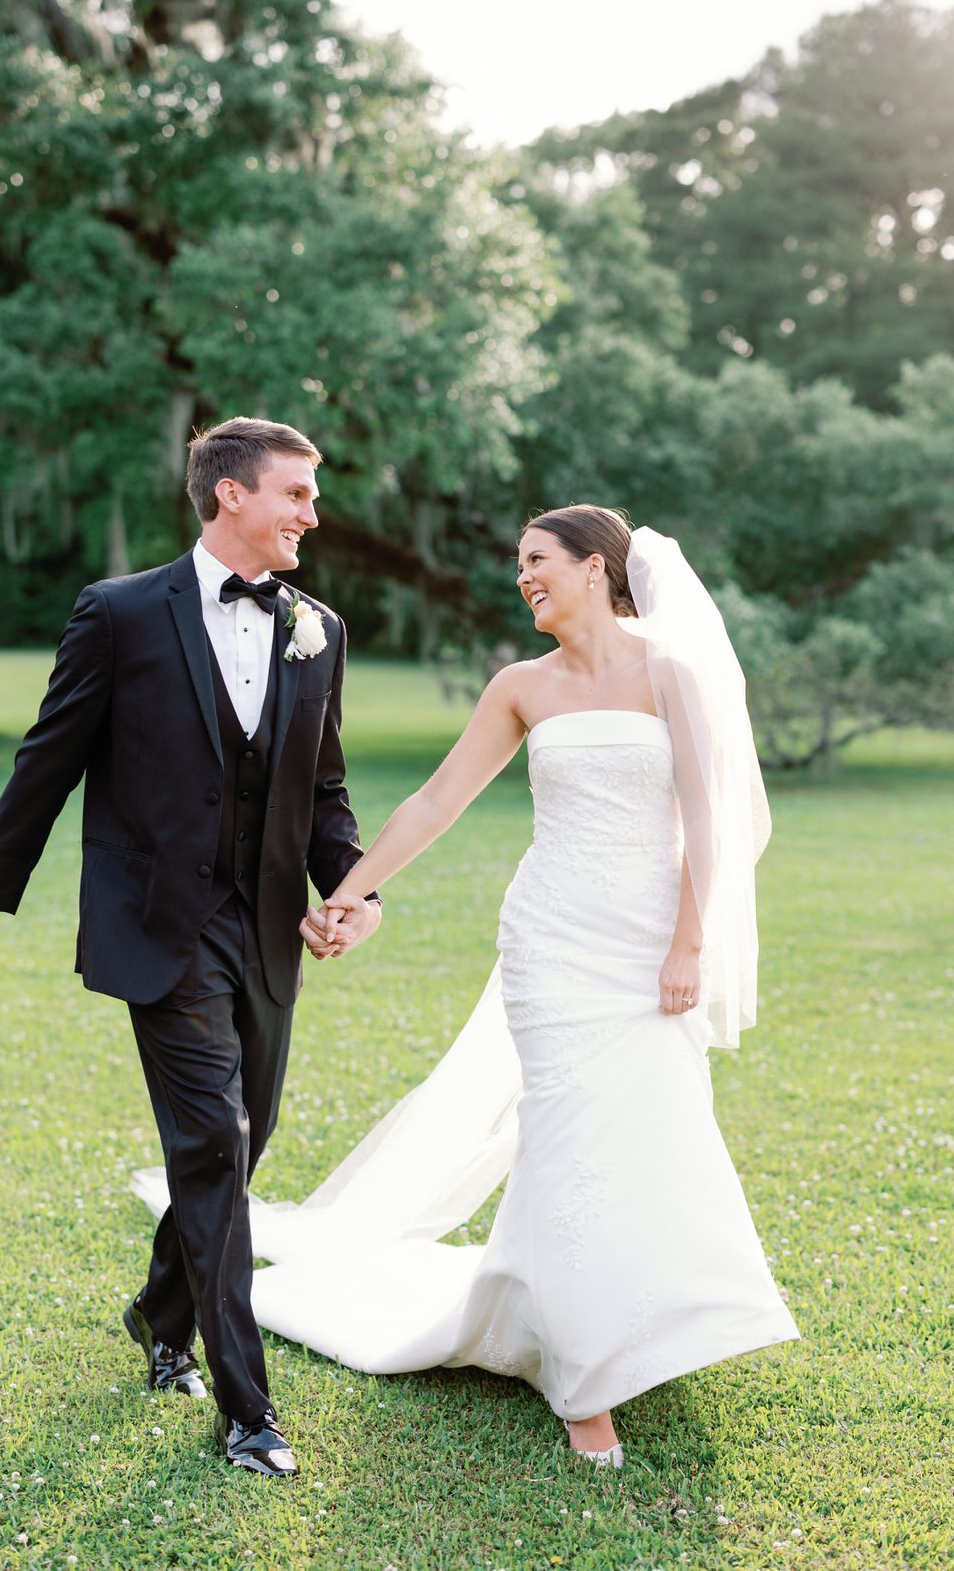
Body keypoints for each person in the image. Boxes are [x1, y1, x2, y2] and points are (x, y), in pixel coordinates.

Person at [266, 504, 798, 1468]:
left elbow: (708, 825)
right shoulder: (520, 685)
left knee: (652, 1127)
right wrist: (348, 889)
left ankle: (654, 1319)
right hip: (553, 940)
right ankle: (585, 1381)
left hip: (649, 944)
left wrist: (690, 943)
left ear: (597, 568)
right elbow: (437, 800)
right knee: (564, 1132)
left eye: (539, 561)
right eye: (520, 565)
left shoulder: (669, 672)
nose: (525, 578)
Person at [0, 416, 381, 1480]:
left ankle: (158, 1316)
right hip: (158, 931)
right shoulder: (121, 614)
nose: (313, 515)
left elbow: (324, 791)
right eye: (297, 495)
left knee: (243, 1138)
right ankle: (248, 1411)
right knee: (216, 1146)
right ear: (232, 495)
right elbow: (45, 768)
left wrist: (355, 892)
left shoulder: (319, 626)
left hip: (264, 929)